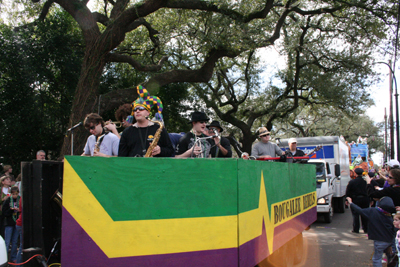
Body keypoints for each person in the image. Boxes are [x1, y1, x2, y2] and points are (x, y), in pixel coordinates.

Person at [118, 85, 174, 157]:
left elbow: (171, 151)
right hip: (134, 167)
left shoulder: (159, 128)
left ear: (148, 112)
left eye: (141, 108)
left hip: (155, 167)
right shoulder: (127, 132)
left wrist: (160, 150)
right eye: (135, 109)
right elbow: (121, 156)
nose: (137, 111)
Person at [347, 196, 396, 267]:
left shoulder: (373, 211)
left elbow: (360, 210)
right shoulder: (390, 215)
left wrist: (351, 203)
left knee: (377, 258)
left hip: (379, 240)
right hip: (389, 240)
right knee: (390, 256)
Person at [346, 168, 370, 233]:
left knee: (355, 215)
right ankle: (366, 229)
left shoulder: (352, 182)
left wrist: (347, 199)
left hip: (355, 199)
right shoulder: (365, 181)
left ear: (355, 173)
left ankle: (356, 229)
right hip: (365, 199)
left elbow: (348, 191)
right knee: (364, 214)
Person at [2, 186, 20, 263]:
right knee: (7, 241)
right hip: (9, 223)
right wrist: (11, 210)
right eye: (13, 194)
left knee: (15, 241)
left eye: (16, 194)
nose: (14, 195)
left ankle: (13, 257)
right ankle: (4, 258)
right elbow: (4, 212)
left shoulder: (20, 200)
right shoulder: (8, 200)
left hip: (17, 223)